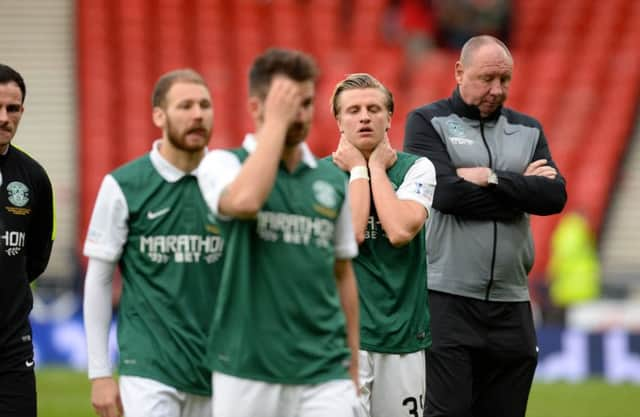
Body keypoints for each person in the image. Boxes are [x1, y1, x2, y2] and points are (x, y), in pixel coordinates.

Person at [403, 35, 567, 417]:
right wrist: (520, 188)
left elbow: (554, 197)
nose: (497, 89)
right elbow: (446, 195)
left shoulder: (528, 129)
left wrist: (491, 177)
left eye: (505, 79)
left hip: (512, 301)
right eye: (487, 78)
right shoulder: (427, 122)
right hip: (446, 298)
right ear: (459, 72)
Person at [197, 48, 360, 417]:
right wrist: (274, 125)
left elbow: (343, 272)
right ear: (257, 108)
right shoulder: (222, 164)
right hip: (246, 367)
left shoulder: (330, 180)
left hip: (324, 368)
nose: (298, 114)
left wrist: (352, 362)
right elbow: (245, 201)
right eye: (286, 103)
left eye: (304, 103)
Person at [83, 69, 223, 417]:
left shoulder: (231, 181)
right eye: (185, 105)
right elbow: (99, 279)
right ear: (158, 115)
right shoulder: (123, 185)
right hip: (149, 366)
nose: (197, 114)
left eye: (205, 105)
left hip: (223, 365)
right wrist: (100, 373)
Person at [328, 73, 436, 417]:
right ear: (338, 121)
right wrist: (360, 168)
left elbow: (400, 230)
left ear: (390, 117)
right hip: (340, 342)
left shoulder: (416, 169)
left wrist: (373, 165)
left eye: (374, 108)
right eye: (353, 110)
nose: (364, 116)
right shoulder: (319, 176)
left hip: (402, 339)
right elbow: (352, 234)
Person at [0, 63, 55, 417]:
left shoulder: (33, 177)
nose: (4, 117)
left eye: (12, 108)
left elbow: (35, 256)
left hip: (11, 347)